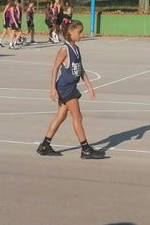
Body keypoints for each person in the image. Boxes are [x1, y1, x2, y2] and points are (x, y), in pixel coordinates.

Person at [37, 20, 104, 159]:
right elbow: (55, 68)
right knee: (77, 117)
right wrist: (52, 89)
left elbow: (81, 70)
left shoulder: (76, 49)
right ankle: (85, 150)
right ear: (71, 32)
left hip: (70, 86)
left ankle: (44, 145)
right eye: (79, 32)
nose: (81, 34)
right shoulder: (64, 49)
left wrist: (89, 86)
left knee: (61, 116)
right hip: (65, 87)